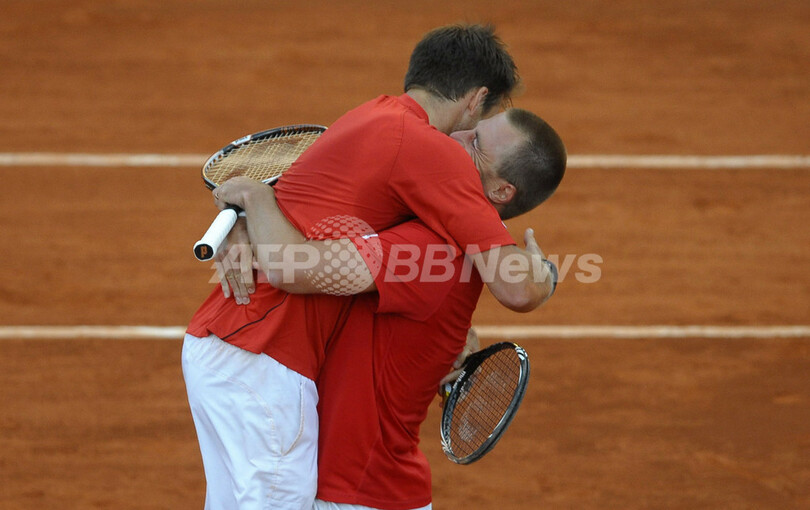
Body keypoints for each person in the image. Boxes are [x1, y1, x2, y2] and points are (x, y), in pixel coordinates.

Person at [183, 23, 548, 510]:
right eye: (476, 127)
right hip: (264, 351)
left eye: (477, 143)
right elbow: (517, 288)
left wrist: (249, 214)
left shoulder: (369, 117)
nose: (462, 140)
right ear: (476, 98)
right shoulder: (432, 157)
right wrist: (544, 276)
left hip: (233, 343)